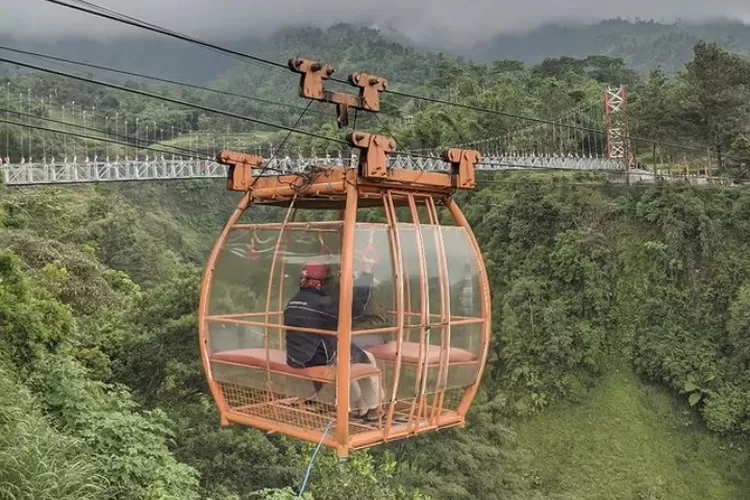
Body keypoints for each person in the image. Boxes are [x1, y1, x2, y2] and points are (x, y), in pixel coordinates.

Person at [284, 254, 382, 422]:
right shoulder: (322, 304)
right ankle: (373, 407)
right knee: (366, 360)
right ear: (321, 283)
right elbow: (356, 309)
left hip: (296, 357)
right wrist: (365, 273)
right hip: (317, 358)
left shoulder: (293, 301)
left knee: (348, 357)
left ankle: (361, 406)